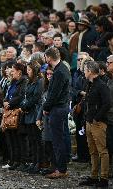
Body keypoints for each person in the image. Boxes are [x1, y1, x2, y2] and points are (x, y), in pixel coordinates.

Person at [79, 61, 111, 187]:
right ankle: (93, 176)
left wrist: (97, 118)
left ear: (91, 71)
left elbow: (107, 103)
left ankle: (103, 178)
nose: (84, 72)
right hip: (89, 121)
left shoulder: (101, 85)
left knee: (102, 150)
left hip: (98, 122)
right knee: (92, 151)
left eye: (85, 70)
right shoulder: (90, 84)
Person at [43, 47, 71, 179]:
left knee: (57, 140)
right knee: (59, 139)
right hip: (60, 107)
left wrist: (46, 107)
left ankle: (61, 169)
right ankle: (61, 167)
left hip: (58, 108)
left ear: (48, 57)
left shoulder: (59, 71)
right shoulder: (62, 68)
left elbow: (54, 93)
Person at [2, 63, 27, 170]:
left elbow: (21, 95)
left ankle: (21, 161)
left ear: (19, 71)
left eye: (13, 70)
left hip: (17, 112)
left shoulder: (24, 81)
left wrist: (10, 103)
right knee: (10, 138)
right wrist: (5, 102)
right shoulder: (12, 82)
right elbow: (7, 94)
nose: (11, 72)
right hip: (9, 113)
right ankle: (13, 160)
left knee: (18, 138)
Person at [20, 60, 44, 174]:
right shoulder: (29, 81)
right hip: (28, 113)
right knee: (32, 140)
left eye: (29, 70)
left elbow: (36, 97)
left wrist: (25, 105)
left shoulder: (40, 81)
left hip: (34, 112)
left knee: (37, 140)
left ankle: (39, 163)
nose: (27, 72)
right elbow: (26, 96)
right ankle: (33, 162)